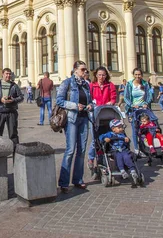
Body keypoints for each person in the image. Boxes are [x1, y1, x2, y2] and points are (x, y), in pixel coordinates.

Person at [56, 60, 92, 193]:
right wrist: (75, 106)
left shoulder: (86, 85)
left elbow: (91, 100)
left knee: (82, 151)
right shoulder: (67, 83)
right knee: (70, 150)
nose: (85, 72)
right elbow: (59, 100)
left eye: (86, 70)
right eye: (83, 70)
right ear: (75, 70)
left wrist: (90, 106)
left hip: (84, 119)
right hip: (72, 119)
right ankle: (64, 182)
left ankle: (78, 179)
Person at [87, 67, 117, 169]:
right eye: (99, 75)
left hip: (107, 113)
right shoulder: (92, 86)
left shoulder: (110, 85)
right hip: (95, 114)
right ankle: (91, 158)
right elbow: (89, 98)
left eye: (103, 75)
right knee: (95, 139)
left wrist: (111, 102)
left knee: (108, 136)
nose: (101, 77)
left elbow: (113, 97)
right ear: (96, 75)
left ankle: (104, 158)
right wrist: (91, 105)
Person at [99, 119, 139, 187]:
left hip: (124, 150)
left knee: (127, 156)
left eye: (121, 127)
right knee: (119, 156)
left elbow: (127, 140)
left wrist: (127, 139)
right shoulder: (109, 134)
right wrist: (105, 139)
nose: (121, 129)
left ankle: (132, 170)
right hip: (114, 151)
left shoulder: (122, 134)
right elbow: (101, 136)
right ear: (113, 129)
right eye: (119, 127)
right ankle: (122, 170)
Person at [0, 68, 24, 147]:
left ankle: (16, 151)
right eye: (6, 74)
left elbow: (21, 97)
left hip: (11, 111)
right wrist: (0, 99)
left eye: (9, 74)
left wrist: (13, 100)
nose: (8, 75)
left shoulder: (14, 85)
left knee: (13, 134)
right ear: (2, 74)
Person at [124, 68, 153, 150]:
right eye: (136, 74)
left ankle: (145, 146)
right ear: (133, 75)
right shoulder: (129, 84)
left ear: (142, 75)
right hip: (133, 110)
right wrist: (132, 104)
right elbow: (126, 97)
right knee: (135, 129)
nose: (137, 76)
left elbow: (149, 95)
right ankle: (136, 148)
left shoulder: (145, 84)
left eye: (139, 74)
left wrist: (146, 103)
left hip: (143, 109)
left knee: (145, 127)